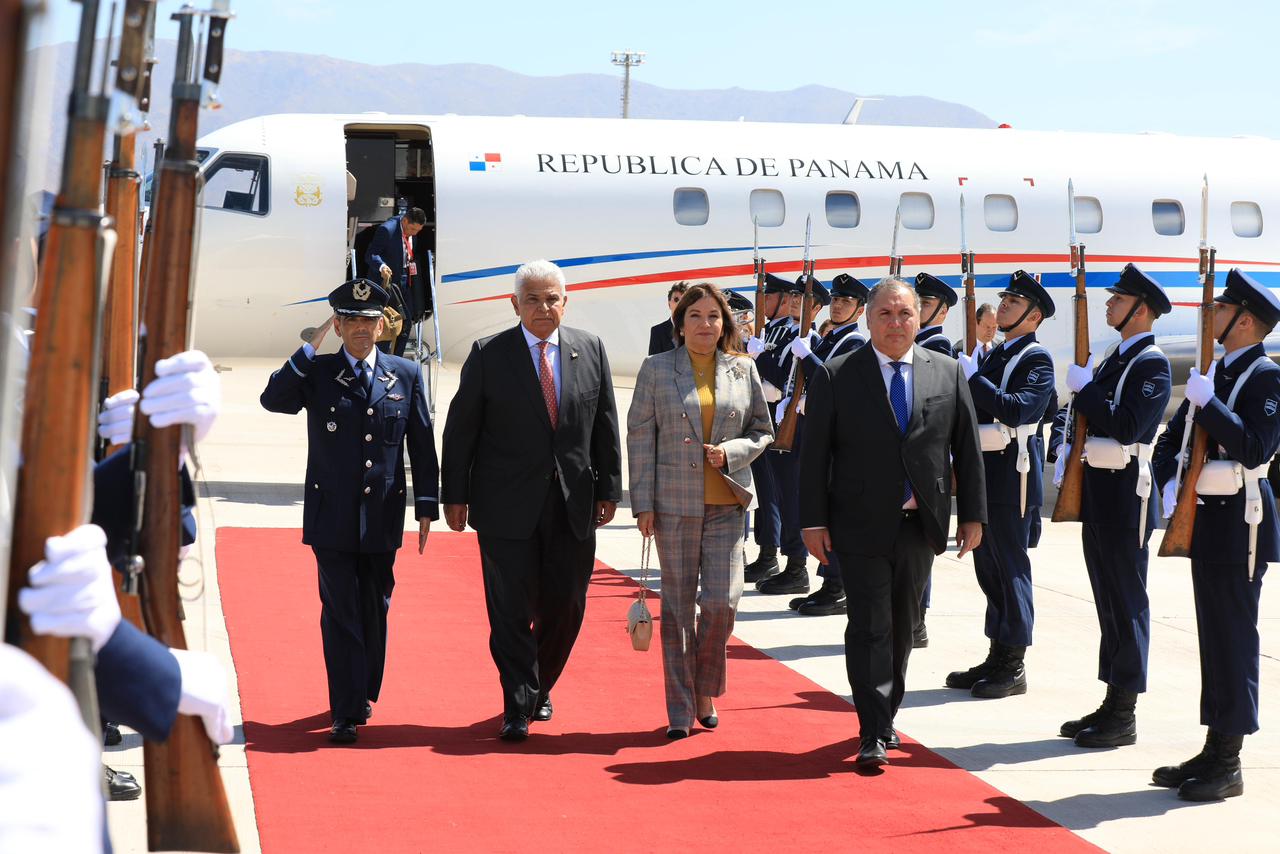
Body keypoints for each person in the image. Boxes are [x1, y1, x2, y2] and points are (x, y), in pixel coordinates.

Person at [799, 278, 986, 769]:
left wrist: (972, 515)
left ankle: (886, 713)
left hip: (918, 525)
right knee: (868, 627)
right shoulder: (839, 374)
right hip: (857, 524)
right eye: (885, 314)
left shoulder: (946, 372)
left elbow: (965, 449)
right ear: (868, 318)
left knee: (903, 628)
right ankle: (872, 728)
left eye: (905, 313)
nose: (896, 323)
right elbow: (814, 455)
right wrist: (812, 521)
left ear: (919, 318)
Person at [441, 259, 622, 742]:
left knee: (567, 606)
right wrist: (453, 495)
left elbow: (605, 424)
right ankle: (518, 703)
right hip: (505, 505)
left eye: (552, 298)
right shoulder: (488, 354)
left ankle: (538, 686)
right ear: (515, 304)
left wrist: (610, 489)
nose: (543, 307)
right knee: (509, 608)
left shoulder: (591, 349)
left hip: (572, 503)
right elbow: (461, 432)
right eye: (533, 299)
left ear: (566, 301)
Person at [260, 278, 439, 745]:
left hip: (382, 515)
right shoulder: (317, 373)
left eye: (370, 320)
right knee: (340, 610)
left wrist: (426, 506)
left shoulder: (405, 373)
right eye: (352, 320)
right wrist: (309, 346)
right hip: (331, 516)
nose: (363, 329)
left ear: (383, 325)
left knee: (374, 607)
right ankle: (344, 708)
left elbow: (421, 444)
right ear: (338, 325)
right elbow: (273, 400)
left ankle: (361, 691)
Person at [1150, 268, 1280, 802]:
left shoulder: (1266, 378)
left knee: (1233, 639)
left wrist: (1210, 404)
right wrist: (1155, 480)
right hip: (1207, 519)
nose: (1212, 317)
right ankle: (1214, 745)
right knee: (1214, 638)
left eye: (1221, 310)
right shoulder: (1219, 374)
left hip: (1240, 525)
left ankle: (1229, 760)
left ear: (1245, 321)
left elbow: (1255, 448)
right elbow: (1177, 436)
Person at [627, 283, 773, 737]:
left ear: (725, 323)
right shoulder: (656, 369)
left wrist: (732, 452)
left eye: (713, 316)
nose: (705, 324)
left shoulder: (742, 370)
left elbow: (762, 431)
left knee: (721, 603)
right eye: (695, 316)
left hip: (727, 502)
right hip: (673, 504)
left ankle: (704, 685)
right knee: (675, 608)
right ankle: (679, 707)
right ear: (680, 322)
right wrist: (643, 503)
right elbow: (639, 438)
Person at [1053, 264, 1171, 749]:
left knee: (1125, 601)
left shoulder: (1151, 364)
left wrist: (1086, 389)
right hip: (1100, 488)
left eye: (1117, 300)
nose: (1108, 305)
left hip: (1127, 493)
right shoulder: (1116, 359)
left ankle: (1125, 712)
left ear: (1140, 310)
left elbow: (1125, 425)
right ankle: (1111, 700)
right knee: (1106, 599)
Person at [949, 271, 1055, 699]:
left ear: (1034, 316)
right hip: (985, 473)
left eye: (1015, 302)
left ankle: (1014, 664)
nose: (1005, 305)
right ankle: (997, 653)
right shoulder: (997, 355)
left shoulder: (1035, 358)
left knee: (1010, 568)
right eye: (1006, 299)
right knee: (988, 565)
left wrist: (973, 378)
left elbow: (1019, 410)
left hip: (1014, 477)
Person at [787, 272, 869, 617]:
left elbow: (832, 379)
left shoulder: (853, 343)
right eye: (835, 300)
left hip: (835, 437)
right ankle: (827, 582)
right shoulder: (827, 338)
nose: (837, 306)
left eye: (845, 301)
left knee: (833, 511)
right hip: (812, 427)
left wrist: (807, 355)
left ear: (860, 310)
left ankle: (837, 586)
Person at [753, 276, 828, 597]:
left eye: (804, 298)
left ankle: (797, 568)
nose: (796, 301)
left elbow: (786, 376)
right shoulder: (790, 336)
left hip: (797, 430)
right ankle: (783, 561)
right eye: (794, 296)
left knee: (792, 499)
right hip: (781, 424)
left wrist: (762, 358)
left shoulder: (809, 339)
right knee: (780, 496)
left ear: (817, 307)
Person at [911, 272, 958, 646]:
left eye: (925, 304)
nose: (917, 309)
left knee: (920, 541)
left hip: (925, 459)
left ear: (941, 311)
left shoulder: (938, 349)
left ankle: (917, 618)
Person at [742, 272, 796, 583]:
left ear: (783, 300)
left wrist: (759, 357)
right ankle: (767, 553)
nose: (762, 303)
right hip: (760, 418)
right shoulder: (770, 333)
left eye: (768, 297)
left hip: (776, 420)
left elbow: (778, 383)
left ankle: (775, 554)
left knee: (776, 492)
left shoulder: (789, 336)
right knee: (764, 491)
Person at [364, 207, 427, 357]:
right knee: (389, 323)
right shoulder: (387, 230)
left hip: (405, 281)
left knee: (407, 322)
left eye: (418, 230)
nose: (414, 233)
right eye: (412, 229)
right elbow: (370, 254)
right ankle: (383, 358)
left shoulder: (413, 232)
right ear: (404, 220)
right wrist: (382, 266)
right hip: (388, 284)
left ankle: (396, 358)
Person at [913, 272, 958, 357]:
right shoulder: (916, 339)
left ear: (942, 312)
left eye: (925, 303)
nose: (917, 307)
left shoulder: (938, 345)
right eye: (916, 302)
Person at [648, 282, 688, 355]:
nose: (680, 303)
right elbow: (653, 364)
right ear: (669, 304)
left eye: (684, 300)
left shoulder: (694, 329)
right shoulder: (657, 331)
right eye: (676, 299)